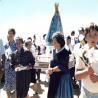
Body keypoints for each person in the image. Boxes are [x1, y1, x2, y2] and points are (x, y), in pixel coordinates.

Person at [47, 32, 73, 98]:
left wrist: (52, 70)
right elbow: (51, 61)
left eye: (55, 42)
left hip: (62, 79)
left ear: (60, 42)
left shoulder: (65, 52)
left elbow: (63, 67)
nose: (53, 43)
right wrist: (49, 68)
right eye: (53, 41)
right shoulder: (54, 51)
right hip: (54, 77)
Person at [75, 25, 98, 98]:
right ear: (86, 37)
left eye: (95, 34)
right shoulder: (82, 53)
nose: (93, 38)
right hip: (85, 92)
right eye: (90, 35)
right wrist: (87, 71)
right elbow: (77, 76)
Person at [3, 28, 16, 98]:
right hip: (7, 68)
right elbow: (2, 55)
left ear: (14, 34)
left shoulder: (17, 44)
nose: (10, 35)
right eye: (9, 33)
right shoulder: (5, 45)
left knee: (15, 85)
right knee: (7, 84)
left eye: (11, 33)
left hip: (14, 68)